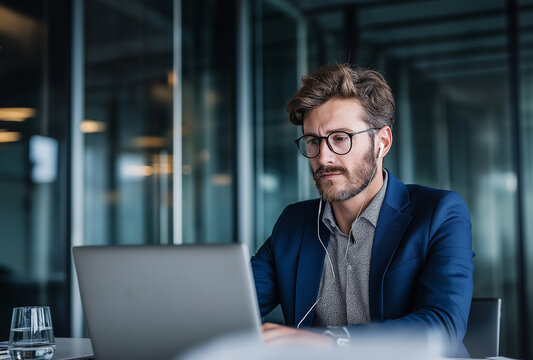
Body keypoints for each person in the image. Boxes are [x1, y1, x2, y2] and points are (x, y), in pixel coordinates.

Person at [251, 64, 474, 357]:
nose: (323, 157)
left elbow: (442, 327)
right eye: (313, 141)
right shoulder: (294, 223)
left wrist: (332, 341)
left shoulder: (440, 213)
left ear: (382, 142)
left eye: (340, 138)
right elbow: (234, 306)